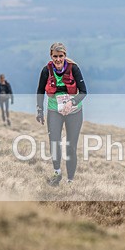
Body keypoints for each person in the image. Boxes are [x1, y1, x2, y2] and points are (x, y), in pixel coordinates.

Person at [36, 42, 87, 186]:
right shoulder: (46, 70)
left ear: (65, 56)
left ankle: (70, 180)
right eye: (55, 56)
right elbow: (40, 91)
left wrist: (71, 102)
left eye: (61, 56)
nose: (58, 59)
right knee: (54, 143)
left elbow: (83, 92)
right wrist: (39, 110)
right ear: (51, 56)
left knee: (71, 146)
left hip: (74, 112)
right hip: (54, 111)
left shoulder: (74, 69)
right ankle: (57, 172)